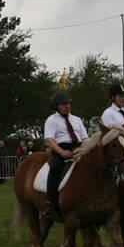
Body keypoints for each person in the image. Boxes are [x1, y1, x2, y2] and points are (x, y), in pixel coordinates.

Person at [43, 91, 89, 219]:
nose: (68, 106)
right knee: (55, 167)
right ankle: (49, 202)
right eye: (64, 104)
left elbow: (85, 138)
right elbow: (49, 140)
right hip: (61, 149)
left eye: (69, 104)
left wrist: (87, 149)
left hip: (79, 148)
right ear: (56, 106)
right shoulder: (52, 120)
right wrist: (62, 152)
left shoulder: (77, 120)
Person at [100, 84, 124, 149]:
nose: (123, 98)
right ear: (113, 97)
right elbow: (110, 136)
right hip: (119, 149)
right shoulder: (107, 113)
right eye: (120, 96)